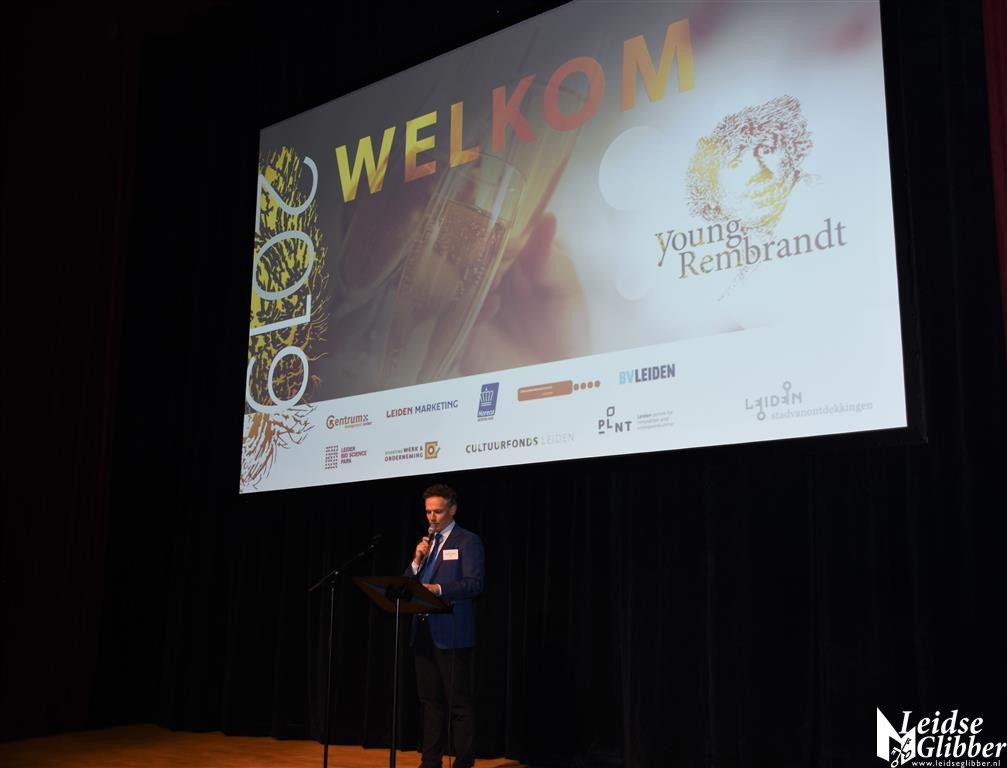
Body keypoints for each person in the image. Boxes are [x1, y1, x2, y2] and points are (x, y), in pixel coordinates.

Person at [406, 483, 485, 768]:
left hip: (451, 633)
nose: (432, 517)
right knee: (429, 701)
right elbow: (407, 584)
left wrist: (439, 589)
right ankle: (430, 761)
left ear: (452, 510)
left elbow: (474, 584)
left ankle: (463, 762)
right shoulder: (427, 545)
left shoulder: (467, 541)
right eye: (428, 512)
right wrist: (416, 561)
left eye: (438, 511)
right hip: (423, 631)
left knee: (458, 702)